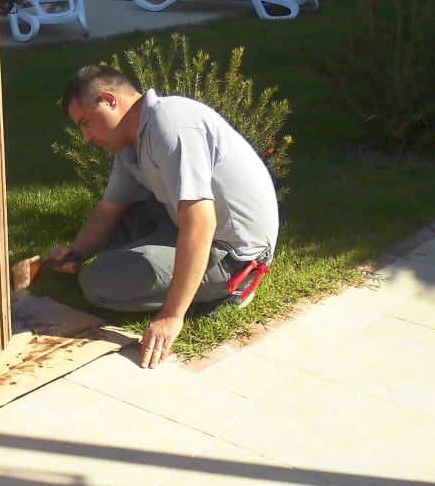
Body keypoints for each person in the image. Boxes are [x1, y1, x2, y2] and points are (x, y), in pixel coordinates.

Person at [50, 65, 280, 369]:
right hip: (188, 224)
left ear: (109, 100)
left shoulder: (170, 126)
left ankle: (231, 292)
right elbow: (109, 211)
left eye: (85, 123)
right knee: (128, 213)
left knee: (98, 284)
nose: (86, 137)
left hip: (234, 254)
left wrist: (171, 315)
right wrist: (76, 252)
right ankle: (166, 270)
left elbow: (201, 222)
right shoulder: (130, 142)